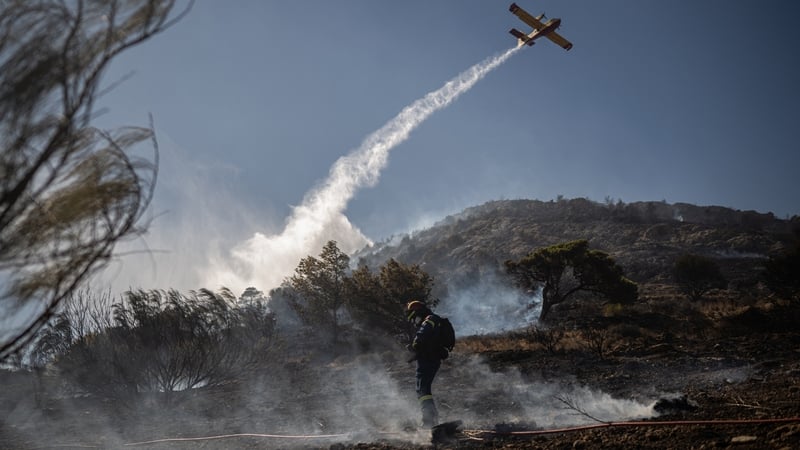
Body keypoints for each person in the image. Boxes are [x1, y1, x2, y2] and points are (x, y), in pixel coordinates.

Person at [405, 300, 447, 428]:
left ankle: (429, 420)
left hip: (427, 360)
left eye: (414, 316)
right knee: (424, 389)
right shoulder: (434, 319)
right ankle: (432, 419)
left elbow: (421, 337)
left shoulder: (428, 320)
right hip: (430, 358)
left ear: (417, 312)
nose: (415, 320)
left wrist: (414, 347)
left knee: (422, 389)